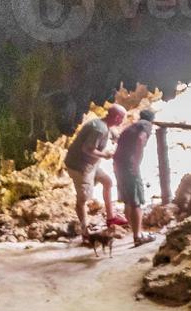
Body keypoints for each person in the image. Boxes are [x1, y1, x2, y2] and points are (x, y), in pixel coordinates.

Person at [65, 105, 125, 236]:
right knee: (83, 199)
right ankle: (85, 232)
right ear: (116, 117)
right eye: (122, 118)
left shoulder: (102, 124)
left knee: (107, 182)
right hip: (80, 166)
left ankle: (111, 218)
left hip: (91, 165)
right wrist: (105, 155)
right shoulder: (99, 129)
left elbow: (112, 134)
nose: (123, 121)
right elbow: (87, 149)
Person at [114, 108, 158, 246]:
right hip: (129, 165)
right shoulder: (146, 125)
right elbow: (140, 139)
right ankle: (138, 236)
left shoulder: (131, 126)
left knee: (128, 200)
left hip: (118, 164)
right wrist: (137, 161)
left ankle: (136, 232)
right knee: (136, 200)